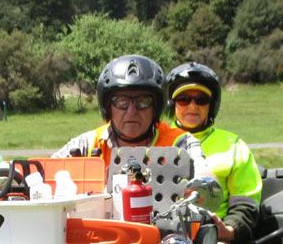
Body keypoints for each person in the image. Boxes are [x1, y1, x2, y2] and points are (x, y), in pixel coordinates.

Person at [53, 54, 214, 185]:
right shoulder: (88, 145)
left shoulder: (180, 143)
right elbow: (43, 173)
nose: (132, 111)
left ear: (155, 108)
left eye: (143, 102)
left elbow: (205, 177)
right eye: (122, 102)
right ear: (108, 106)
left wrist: (203, 186)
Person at [166, 62, 263, 244]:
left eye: (201, 100)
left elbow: (246, 203)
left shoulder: (233, 145)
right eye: (184, 100)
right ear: (172, 104)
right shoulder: (158, 141)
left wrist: (228, 229)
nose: (192, 107)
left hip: (211, 235)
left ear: (212, 105)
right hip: (160, 232)